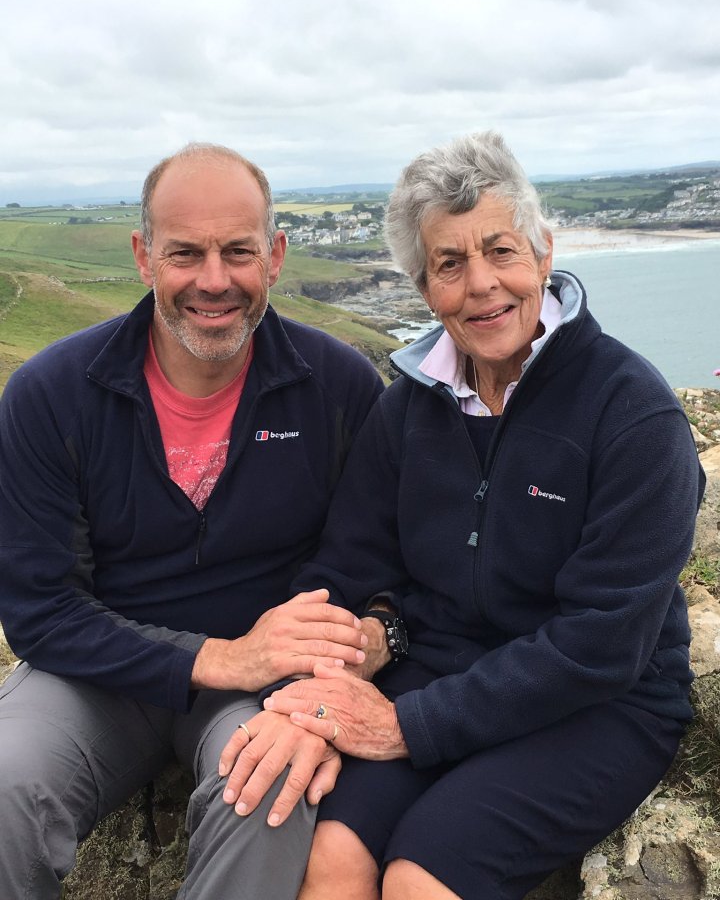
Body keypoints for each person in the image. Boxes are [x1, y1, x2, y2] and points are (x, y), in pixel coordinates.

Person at [219, 131, 706, 900]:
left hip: (596, 705)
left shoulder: (631, 412)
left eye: (501, 251)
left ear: (544, 254)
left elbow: (603, 642)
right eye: (450, 263)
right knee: (330, 857)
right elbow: (348, 563)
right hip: (434, 675)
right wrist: (314, 686)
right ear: (424, 288)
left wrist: (407, 727)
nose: (481, 284)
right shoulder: (408, 406)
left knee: (420, 875)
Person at [0, 142, 384, 900]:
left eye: (238, 251)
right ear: (145, 257)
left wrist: (297, 681)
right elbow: (39, 611)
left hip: (267, 687)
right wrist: (217, 657)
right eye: (186, 253)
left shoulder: (341, 387)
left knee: (267, 789)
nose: (214, 281)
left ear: (274, 255)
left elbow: (366, 564)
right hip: (95, 675)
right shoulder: (50, 395)